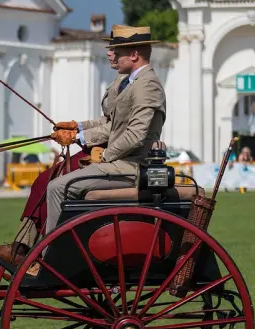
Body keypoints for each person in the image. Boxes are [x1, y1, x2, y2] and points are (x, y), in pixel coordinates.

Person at [0, 26, 128, 266]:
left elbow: (118, 129)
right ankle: (24, 245)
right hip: (96, 148)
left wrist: (77, 136)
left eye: (113, 49)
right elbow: (107, 121)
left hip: (108, 154)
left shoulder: (133, 85)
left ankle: (34, 249)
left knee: (48, 182)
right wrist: (77, 126)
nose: (108, 53)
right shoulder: (121, 81)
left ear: (131, 53)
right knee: (43, 180)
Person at [44, 25, 166, 235]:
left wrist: (104, 156)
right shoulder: (134, 81)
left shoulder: (147, 85)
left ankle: (50, 251)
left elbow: (135, 135)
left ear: (134, 55)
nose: (112, 56)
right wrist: (78, 128)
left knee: (57, 187)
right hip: (122, 163)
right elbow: (115, 123)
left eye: (117, 52)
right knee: (55, 181)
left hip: (131, 167)